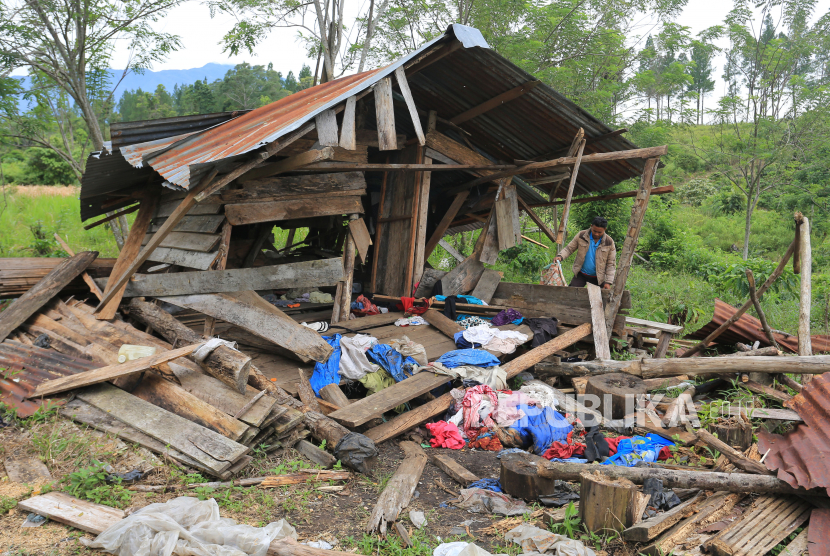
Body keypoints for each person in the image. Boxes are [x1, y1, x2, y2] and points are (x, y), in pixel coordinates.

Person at [553, 216, 616, 289]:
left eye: (600, 232)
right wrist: (560, 256)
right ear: (591, 226)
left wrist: (608, 282)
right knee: (571, 294)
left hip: (599, 278)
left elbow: (611, 263)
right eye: (594, 231)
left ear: (605, 229)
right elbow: (569, 249)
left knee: (599, 299)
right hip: (581, 274)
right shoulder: (581, 235)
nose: (596, 234)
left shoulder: (609, 242)